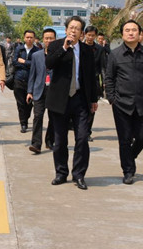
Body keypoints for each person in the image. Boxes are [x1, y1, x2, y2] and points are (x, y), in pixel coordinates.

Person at [46, 16, 99, 190]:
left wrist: (94, 99)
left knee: (82, 138)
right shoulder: (55, 45)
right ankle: (61, 173)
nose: (73, 30)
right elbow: (49, 64)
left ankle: (79, 175)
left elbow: (91, 76)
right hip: (59, 100)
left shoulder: (86, 50)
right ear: (66, 29)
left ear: (81, 32)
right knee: (60, 140)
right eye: (71, 27)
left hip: (80, 100)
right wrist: (64, 48)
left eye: (77, 28)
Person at [105, 19, 143, 185]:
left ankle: (130, 157)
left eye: (134, 30)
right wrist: (112, 98)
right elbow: (109, 78)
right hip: (121, 104)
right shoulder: (115, 54)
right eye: (127, 30)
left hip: (142, 103)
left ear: (139, 34)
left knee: (142, 138)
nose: (131, 33)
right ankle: (128, 171)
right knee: (125, 139)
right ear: (122, 34)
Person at [26, 28, 56, 153]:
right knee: (38, 116)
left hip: (54, 91)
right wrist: (29, 91)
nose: (48, 41)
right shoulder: (36, 55)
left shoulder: (60, 55)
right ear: (42, 39)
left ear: (55, 39)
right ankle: (36, 144)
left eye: (51, 38)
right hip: (39, 90)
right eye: (46, 38)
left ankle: (50, 141)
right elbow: (32, 75)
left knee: (53, 118)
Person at [12, 30, 40, 133]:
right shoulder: (19, 49)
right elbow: (14, 62)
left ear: (34, 39)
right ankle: (23, 123)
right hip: (19, 79)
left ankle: (26, 118)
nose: (29, 39)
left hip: (31, 80)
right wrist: (29, 64)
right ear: (24, 38)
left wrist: (24, 62)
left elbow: (37, 64)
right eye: (27, 37)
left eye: (31, 37)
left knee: (29, 104)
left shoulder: (37, 51)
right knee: (20, 103)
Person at [82, 26, 105, 142]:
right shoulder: (79, 47)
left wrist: (104, 83)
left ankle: (87, 132)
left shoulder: (99, 49)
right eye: (88, 35)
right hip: (80, 81)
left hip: (93, 81)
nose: (90, 37)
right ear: (84, 34)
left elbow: (103, 67)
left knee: (91, 107)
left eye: (92, 35)